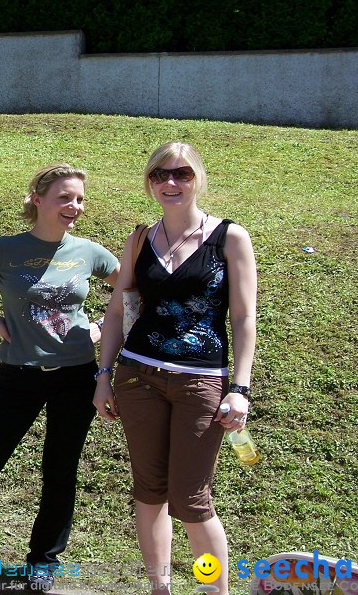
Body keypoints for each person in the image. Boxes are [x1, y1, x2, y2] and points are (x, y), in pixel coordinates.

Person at [0, 163, 120, 592]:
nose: (73, 206)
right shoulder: (5, 249)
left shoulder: (91, 252)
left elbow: (131, 293)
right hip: (19, 374)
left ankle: (43, 564)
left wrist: (98, 326)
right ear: (38, 200)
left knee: (60, 470)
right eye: (64, 197)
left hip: (77, 375)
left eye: (79, 199)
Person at [92, 142, 257, 594]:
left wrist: (239, 388)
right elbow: (117, 310)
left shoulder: (230, 237)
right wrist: (104, 376)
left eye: (182, 173)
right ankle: (159, 587)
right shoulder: (140, 239)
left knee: (191, 501)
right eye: (160, 175)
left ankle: (211, 589)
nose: (171, 182)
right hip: (137, 377)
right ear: (149, 182)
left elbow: (243, 317)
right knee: (149, 492)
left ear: (198, 178)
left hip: (200, 382)